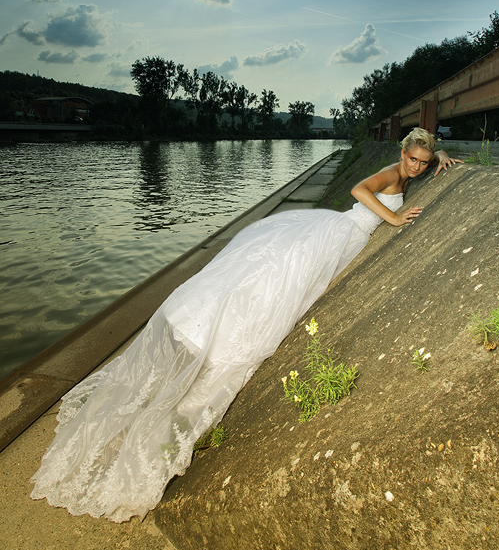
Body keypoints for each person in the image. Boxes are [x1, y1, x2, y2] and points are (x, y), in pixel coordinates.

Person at [31, 129, 461, 523]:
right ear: (401, 153)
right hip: (340, 234)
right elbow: (357, 189)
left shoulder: (412, 172)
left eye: (423, 162)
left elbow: (426, 161)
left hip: (345, 240)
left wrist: (442, 154)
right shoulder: (390, 172)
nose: (417, 167)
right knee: (272, 283)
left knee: (284, 290)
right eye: (414, 159)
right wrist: (391, 219)